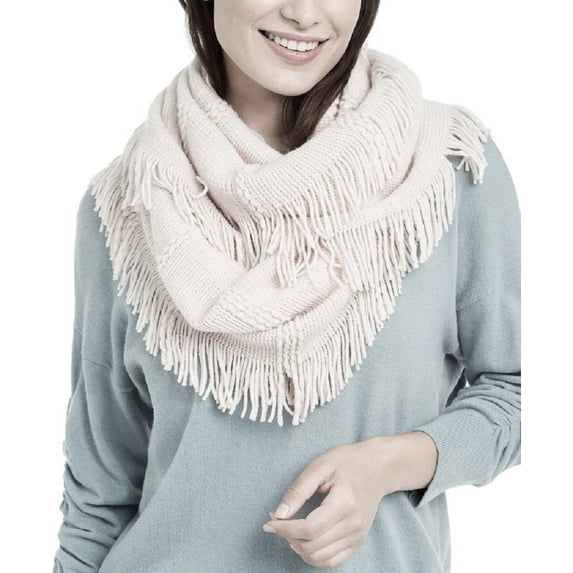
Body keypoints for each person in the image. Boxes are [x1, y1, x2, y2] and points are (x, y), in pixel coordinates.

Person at [52, 0, 521, 571]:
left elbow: (518, 393)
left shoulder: (444, 168)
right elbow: (98, 494)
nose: (303, 13)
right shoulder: (131, 203)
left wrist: (387, 464)